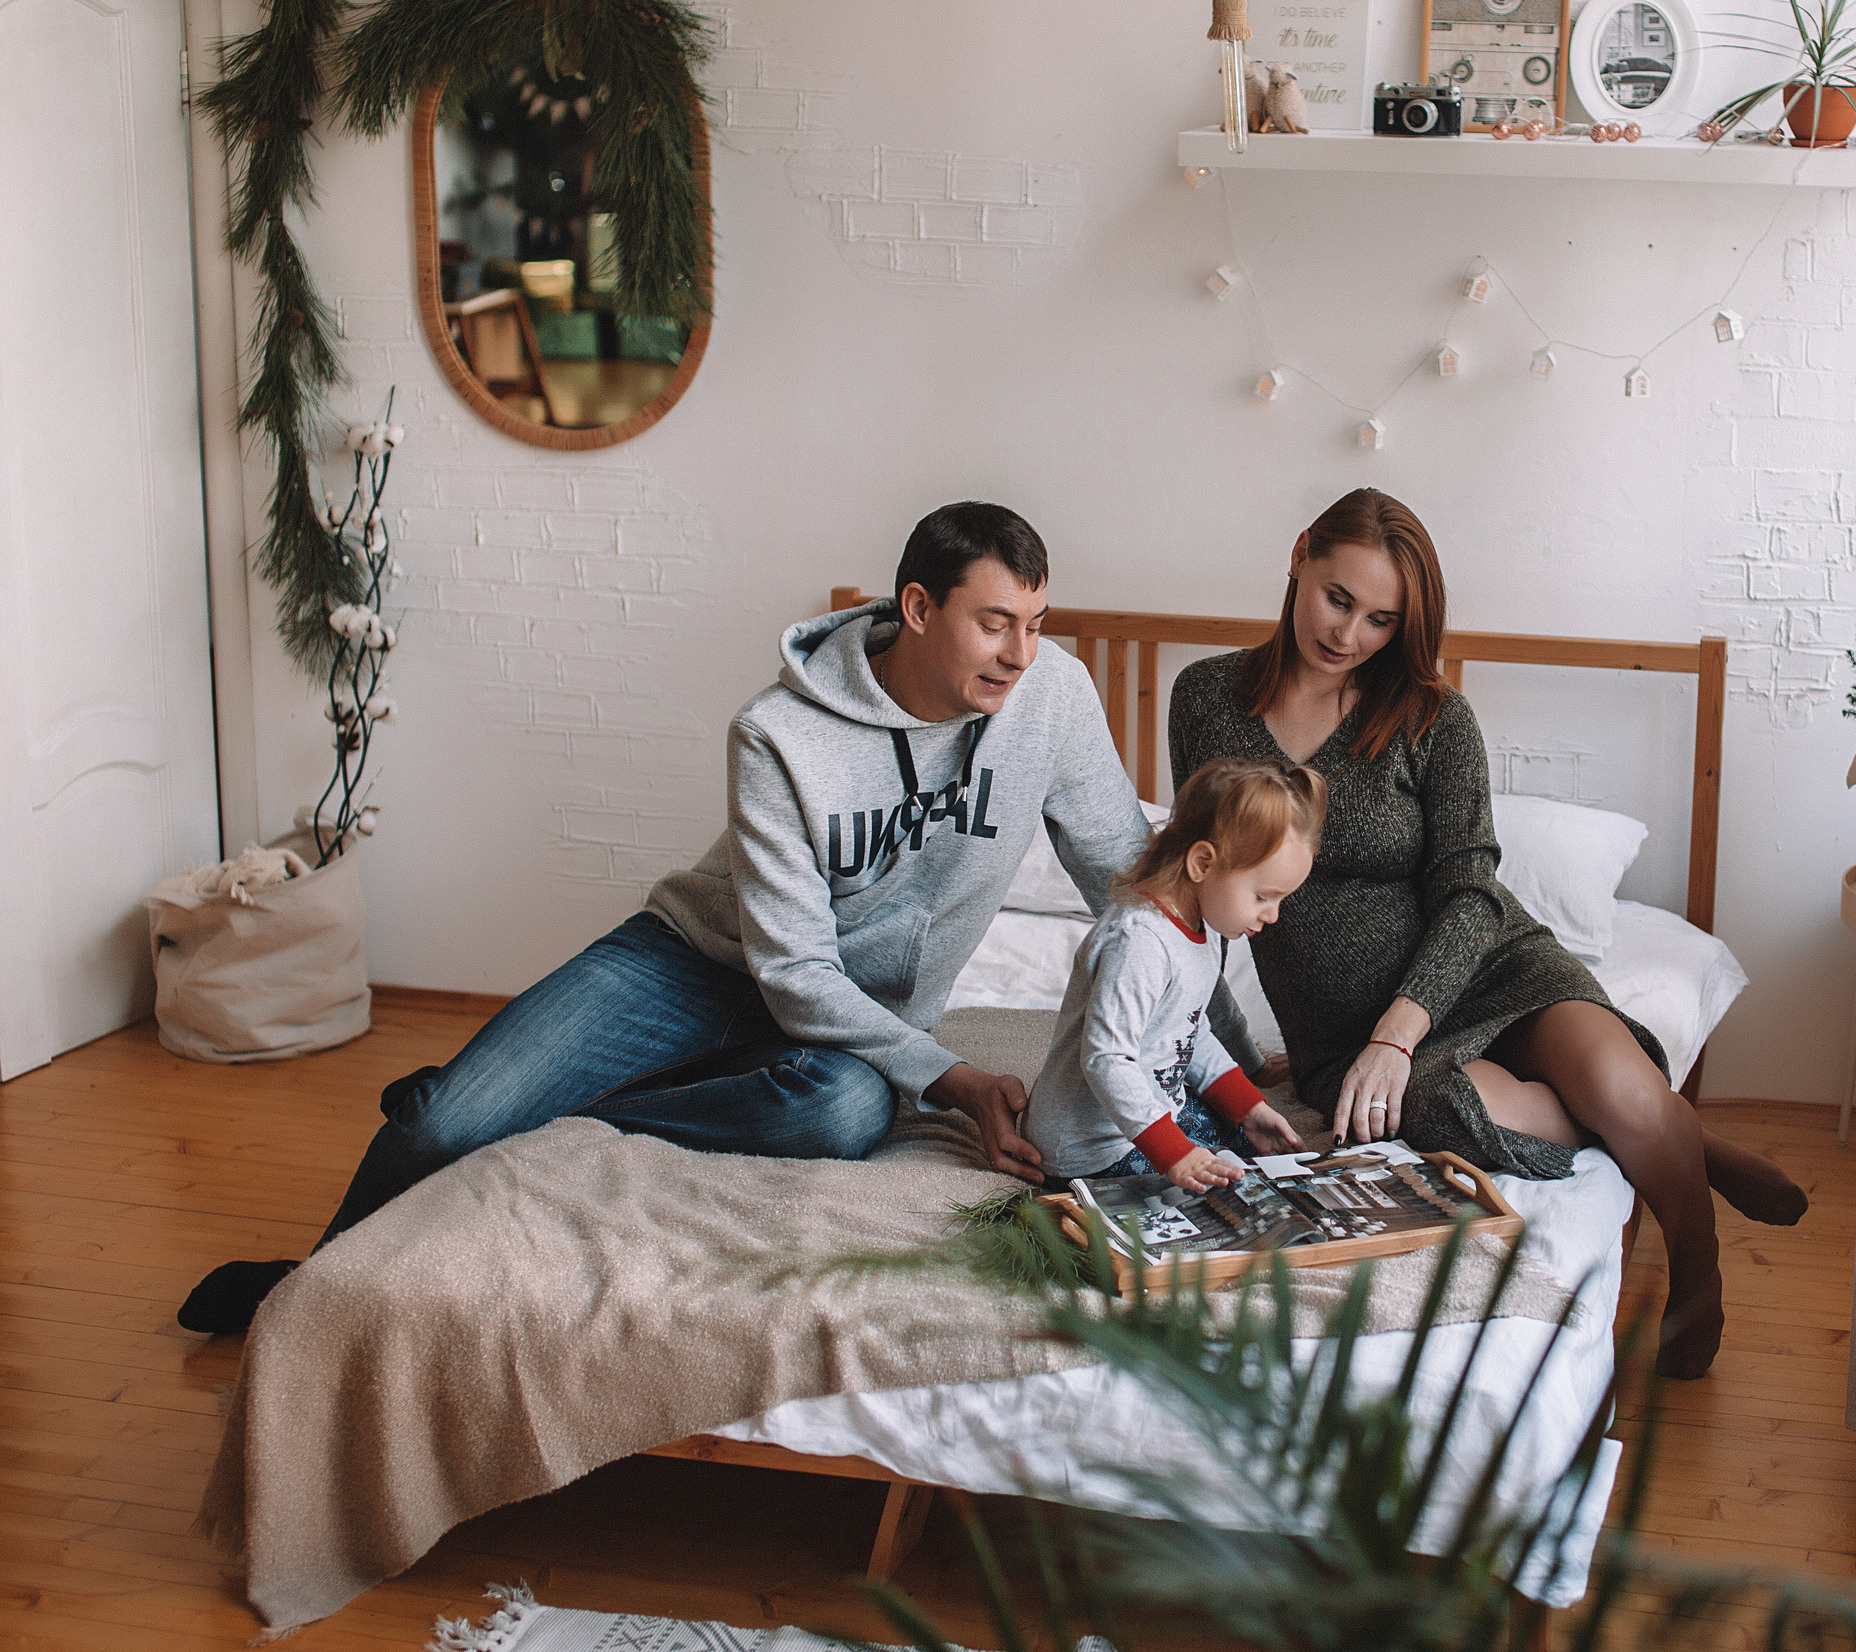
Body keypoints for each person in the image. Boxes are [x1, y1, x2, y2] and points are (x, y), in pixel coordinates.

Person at [179, 502, 1158, 1336]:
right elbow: (791, 969)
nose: (1022, 654)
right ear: (916, 608)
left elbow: (1130, 879)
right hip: (695, 961)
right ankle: (306, 1290)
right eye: (995, 624)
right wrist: (954, 1078)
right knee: (440, 1124)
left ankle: (551, 1124)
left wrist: (1237, 1060)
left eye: (1035, 623)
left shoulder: (1054, 698)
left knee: (845, 1109)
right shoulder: (780, 732)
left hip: (852, 1022)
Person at [1165, 488, 1808, 1379]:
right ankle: (1683, 1136)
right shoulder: (1206, 701)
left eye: (1381, 620)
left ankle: (1699, 1276)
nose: (1348, 634)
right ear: (1300, 556)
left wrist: (1401, 1028)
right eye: (1337, 598)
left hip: (1490, 967)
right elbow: (1207, 890)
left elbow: (1469, 888)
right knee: (1438, 1112)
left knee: (1621, 1097)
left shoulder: (1432, 717)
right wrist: (1231, 1061)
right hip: (1341, 1032)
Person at [1023, 757, 1321, 1192]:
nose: (1272, 915)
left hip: (1148, 1110)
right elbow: (1107, 1059)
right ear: (1202, 863)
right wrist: (1175, 1153)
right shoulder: (1139, 940)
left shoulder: (1200, 928)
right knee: (1231, 1187)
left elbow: (1187, 1030)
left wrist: (1249, 1107)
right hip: (1089, 1144)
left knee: (1258, 1150)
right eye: (1262, 896)